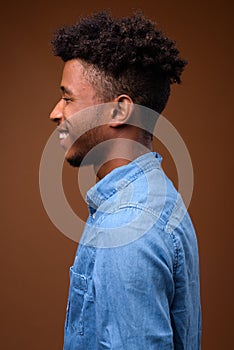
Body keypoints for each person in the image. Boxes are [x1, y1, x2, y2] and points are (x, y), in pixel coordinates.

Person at [49, 11, 201, 349]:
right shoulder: (155, 197)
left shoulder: (128, 225)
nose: (56, 112)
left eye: (68, 97)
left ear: (119, 111)